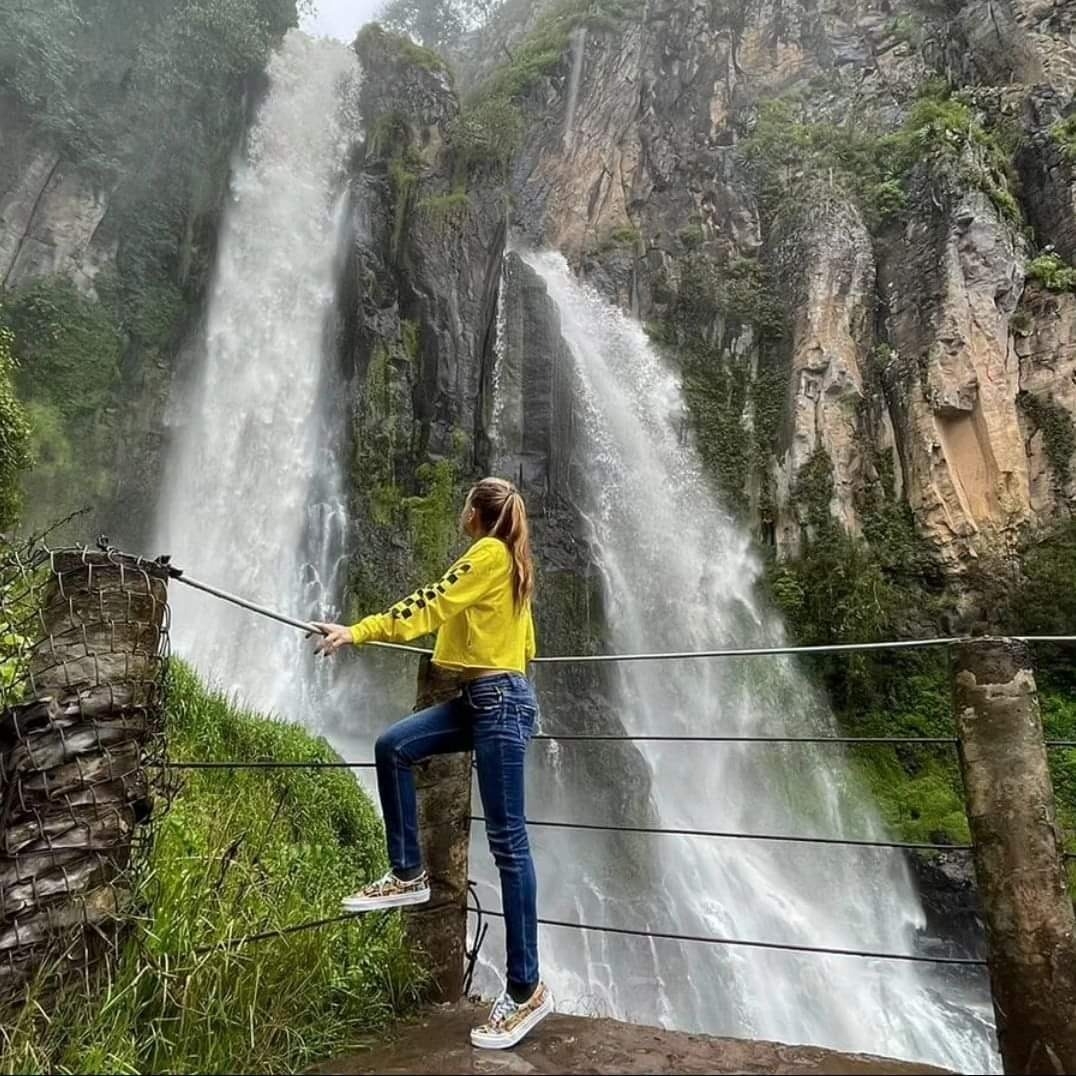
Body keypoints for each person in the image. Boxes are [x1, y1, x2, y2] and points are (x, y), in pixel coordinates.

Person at [312, 477, 551, 1051]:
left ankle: (526, 990)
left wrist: (356, 632)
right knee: (394, 745)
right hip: (485, 699)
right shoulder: (512, 562)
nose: (460, 510)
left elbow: (432, 602)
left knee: (509, 845)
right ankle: (408, 872)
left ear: (477, 513)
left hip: (498, 705)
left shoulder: (489, 553)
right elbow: (528, 648)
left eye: (466, 503)